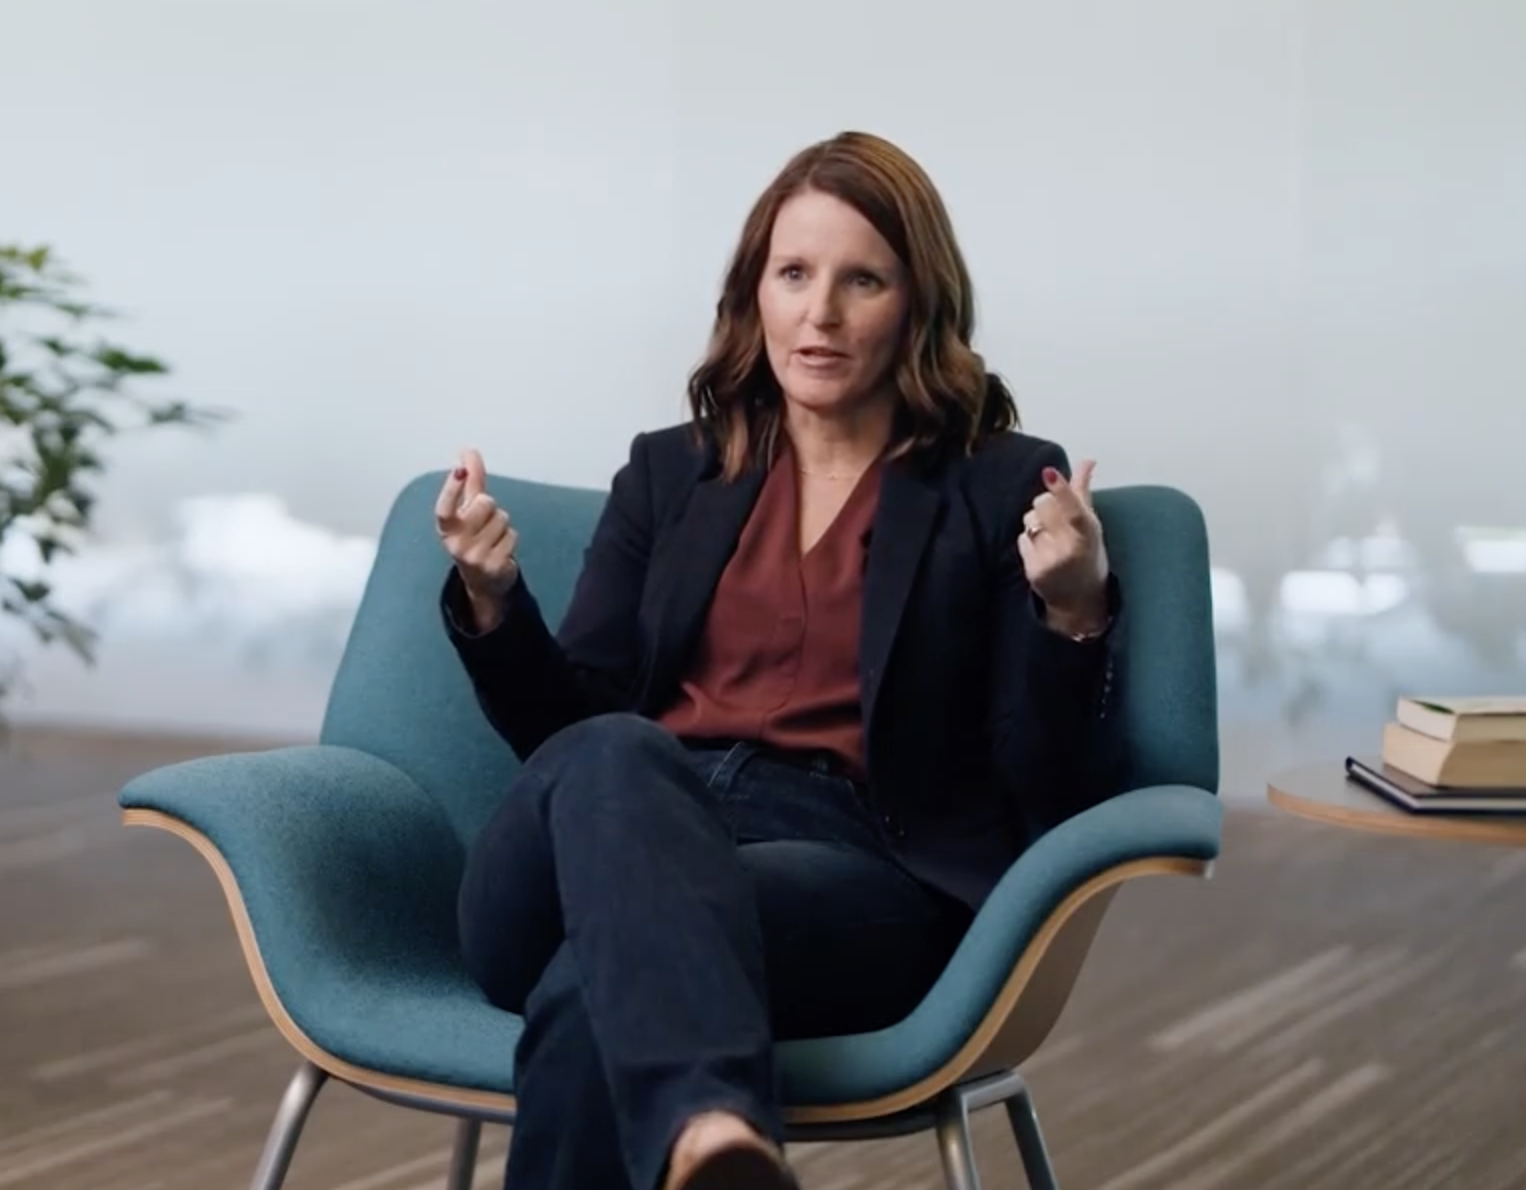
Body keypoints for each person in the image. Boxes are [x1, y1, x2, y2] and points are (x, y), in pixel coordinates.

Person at [432, 131, 1128, 1190]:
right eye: (793, 274)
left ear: (917, 301)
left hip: (847, 865)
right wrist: (492, 601)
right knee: (614, 751)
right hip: (603, 836)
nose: (821, 313)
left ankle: (711, 1148)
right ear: (752, 291)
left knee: (593, 990)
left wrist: (1069, 611)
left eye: (862, 279)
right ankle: (714, 1127)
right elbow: (564, 730)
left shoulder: (996, 488)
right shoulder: (670, 472)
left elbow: (1039, 776)